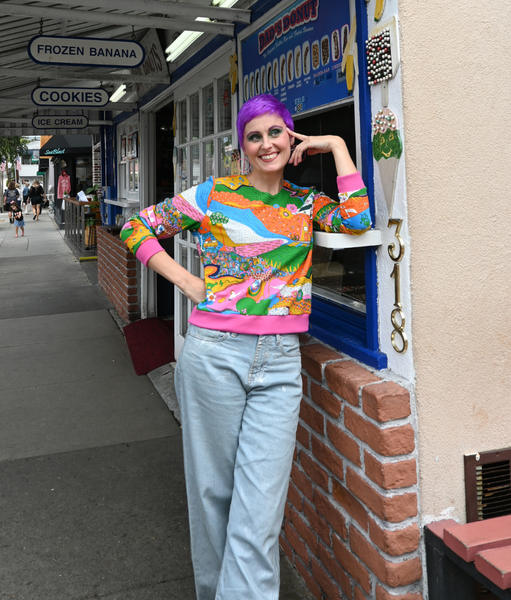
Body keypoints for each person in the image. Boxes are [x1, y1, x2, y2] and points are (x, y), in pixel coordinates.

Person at [120, 95, 371, 600]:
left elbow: (358, 219)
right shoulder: (214, 195)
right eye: (253, 137)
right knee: (212, 494)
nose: (266, 144)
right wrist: (187, 283)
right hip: (213, 353)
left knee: (259, 511)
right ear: (242, 147)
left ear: (291, 138)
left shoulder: (304, 204)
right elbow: (137, 226)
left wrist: (338, 144)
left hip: (280, 362)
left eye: (276, 132)